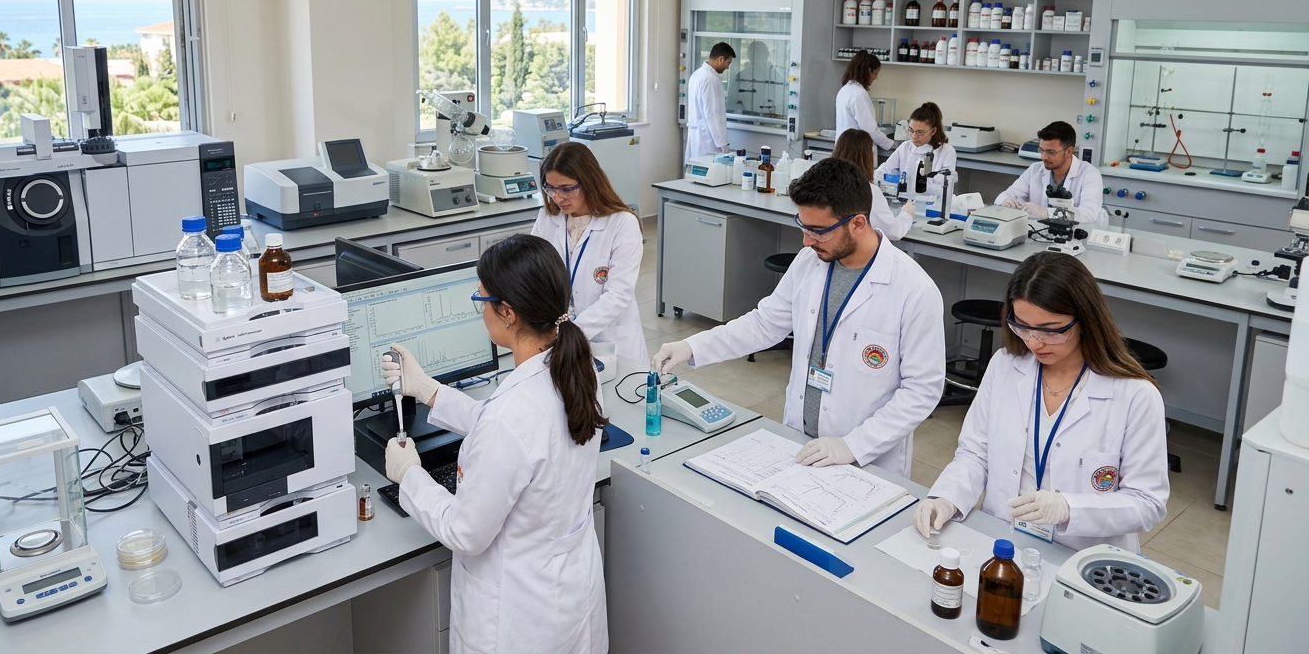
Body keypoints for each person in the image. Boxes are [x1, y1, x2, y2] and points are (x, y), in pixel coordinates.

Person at [381, 235, 608, 654]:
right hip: (567, 601)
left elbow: (465, 532)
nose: (479, 308)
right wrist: (430, 390)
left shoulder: (512, 416)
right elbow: (519, 431)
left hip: (516, 624)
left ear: (507, 313)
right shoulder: (576, 368)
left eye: (481, 299)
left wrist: (408, 474)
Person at [651, 157, 944, 477]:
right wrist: (693, 346)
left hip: (867, 458)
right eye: (802, 226)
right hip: (799, 443)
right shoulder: (810, 262)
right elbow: (764, 324)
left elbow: (922, 390)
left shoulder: (914, 291)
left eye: (818, 231)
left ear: (858, 224)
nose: (806, 241)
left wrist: (854, 445)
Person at [915, 252, 1169, 552]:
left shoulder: (1135, 395)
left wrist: (1069, 508)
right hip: (1003, 539)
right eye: (1022, 326)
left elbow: (1147, 502)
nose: (1034, 342)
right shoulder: (1005, 366)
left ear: (1086, 319)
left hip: (1082, 554)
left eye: (1050, 330)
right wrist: (946, 497)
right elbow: (975, 453)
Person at [532, 141, 648, 365]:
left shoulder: (622, 224)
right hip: (560, 342)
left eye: (567, 189)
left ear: (589, 182)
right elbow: (535, 272)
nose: (557, 198)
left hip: (611, 343)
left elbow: (618, 295)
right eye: (550, 188)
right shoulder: (548, 217)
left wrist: (572, 332)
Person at [995, 121, 1107, 225]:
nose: (1044, 157)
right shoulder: (1035, 169)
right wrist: (1006, 201)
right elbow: (1004, 196)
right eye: (1041, 150)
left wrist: (1046, 213)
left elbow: (1088, 215)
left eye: (1051, 152)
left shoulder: (1089, 174)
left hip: (1074, 238)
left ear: (1069, 151)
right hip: (1039, 233)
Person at [832, 128, 916, 241]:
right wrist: (907, 214)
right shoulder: (867, 191)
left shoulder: (828, 185)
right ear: (867, 156)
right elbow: (894, 232)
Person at [875, 102, 957, 207]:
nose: (914, 136)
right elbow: (885, 170)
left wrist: (920, 182)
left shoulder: (946, 151)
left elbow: (945, 188)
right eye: (911, 130)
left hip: (933, 206)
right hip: (904, 204)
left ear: (933, 131)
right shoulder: (905, 147)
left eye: (919, 133)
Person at [833, 51, 894, 152]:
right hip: (857, 150)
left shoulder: (845, 89)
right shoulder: (859, 93)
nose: (876, 77)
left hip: (843, 147)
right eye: (876, 73)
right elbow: (870, 129)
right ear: (869, 70)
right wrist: (891, 144)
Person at [685, 42, 735, 160]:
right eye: (728, 63)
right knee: (710, 174)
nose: (728, 67)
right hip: (708, 140)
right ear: (720, 59)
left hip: (698, 137)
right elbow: (712, 115)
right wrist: (723, 144)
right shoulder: (709, 79)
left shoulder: (697, 74)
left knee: (696, 172)